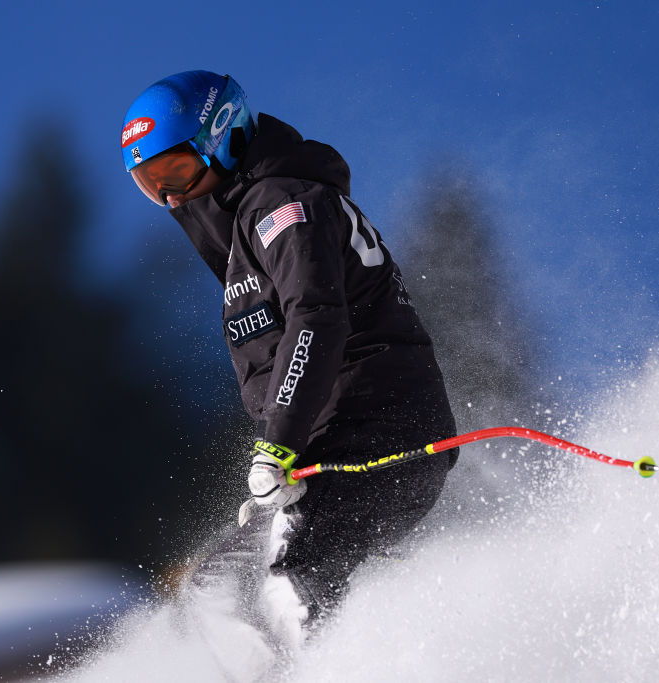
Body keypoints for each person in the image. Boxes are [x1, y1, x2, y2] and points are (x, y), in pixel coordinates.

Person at [120, 70, 458, 653]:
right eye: (151, 184)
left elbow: (317, 320)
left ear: (222, 137)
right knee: (216, 586)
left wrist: (276, 443)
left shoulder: (283, 206)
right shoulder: (240, 226)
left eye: (175, 171)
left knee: (288, 575)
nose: (171, 196)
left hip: (380, 432)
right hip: (324, 445)